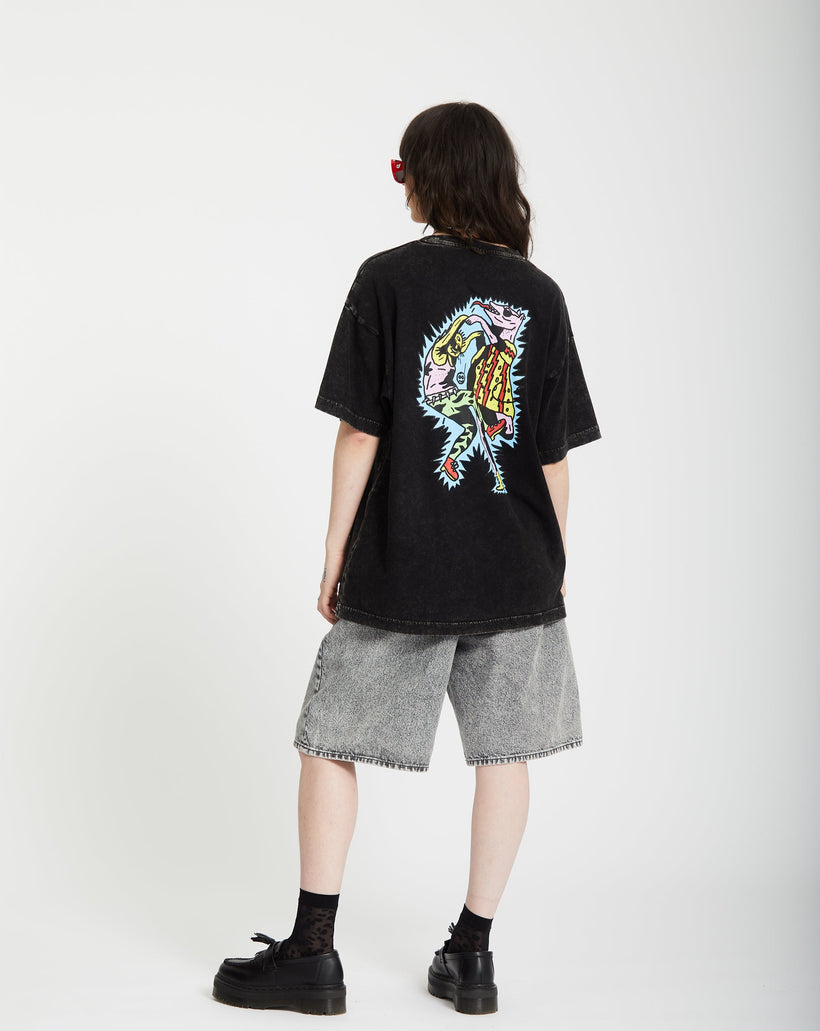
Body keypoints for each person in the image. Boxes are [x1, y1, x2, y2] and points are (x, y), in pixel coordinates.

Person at [212, 101, 602, 1017]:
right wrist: (551, 564)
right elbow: (551, 456)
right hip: (518, 568)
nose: (401, 185)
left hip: (403, 561)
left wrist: (334, 549)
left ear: (426, 176)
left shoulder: (385, 280)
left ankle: (313, 952)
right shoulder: (541, 296)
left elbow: (361, 431)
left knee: (327, 741)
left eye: (403, 169)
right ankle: (473, 954)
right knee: (505, 752)